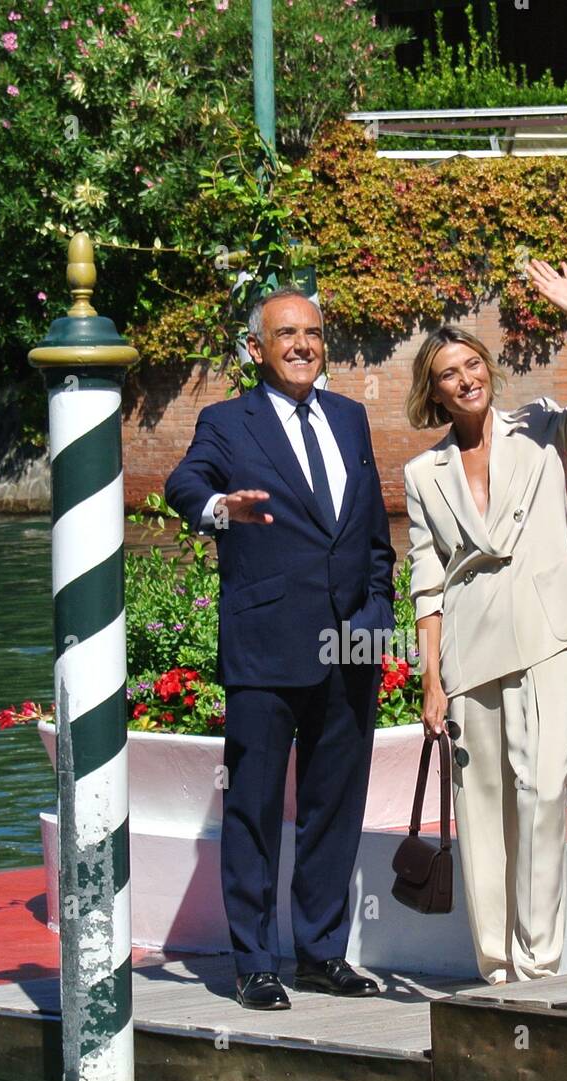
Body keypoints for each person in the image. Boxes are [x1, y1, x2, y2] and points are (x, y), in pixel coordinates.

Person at [403, 259, 567, 985]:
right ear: (433, 389)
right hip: (469, 648)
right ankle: (496, 968)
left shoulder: (539, 426)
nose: (466, 378)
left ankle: (542, 967)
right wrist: (431, 680)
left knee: (540, 799)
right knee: (481, 811)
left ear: (489, 371)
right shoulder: (422, 474)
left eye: (474, 364)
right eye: (449, 372)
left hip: (545, 636)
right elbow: (428, 581)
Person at [165, 286, 396, 1009]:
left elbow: (374, 536)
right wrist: (217, 510)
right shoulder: (227, 422)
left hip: (350, 643)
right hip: (266, 644)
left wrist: (378, 615)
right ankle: (256, 962)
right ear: (256, 349)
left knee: (335, 805)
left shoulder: (352, 419)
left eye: (314, 333)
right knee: (256, 807)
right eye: (286, 333)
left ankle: (321, 952)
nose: (302, 344)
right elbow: (184, 482)